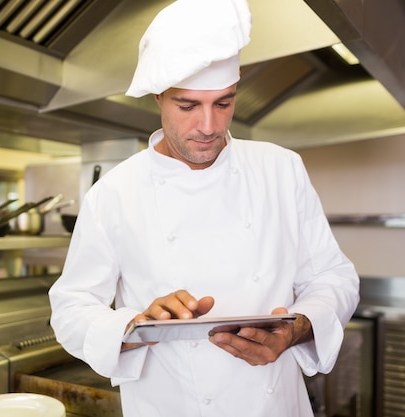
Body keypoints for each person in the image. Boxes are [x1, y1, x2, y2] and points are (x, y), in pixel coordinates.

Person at [48, 0, 360, 416]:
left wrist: (297, 328)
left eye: (224, 103)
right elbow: (71, 308)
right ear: (159, 96)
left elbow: (333, 277)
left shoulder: (280, 168)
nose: (209, 127)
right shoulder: (114, 193)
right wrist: (135, 325)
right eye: (188, 105)